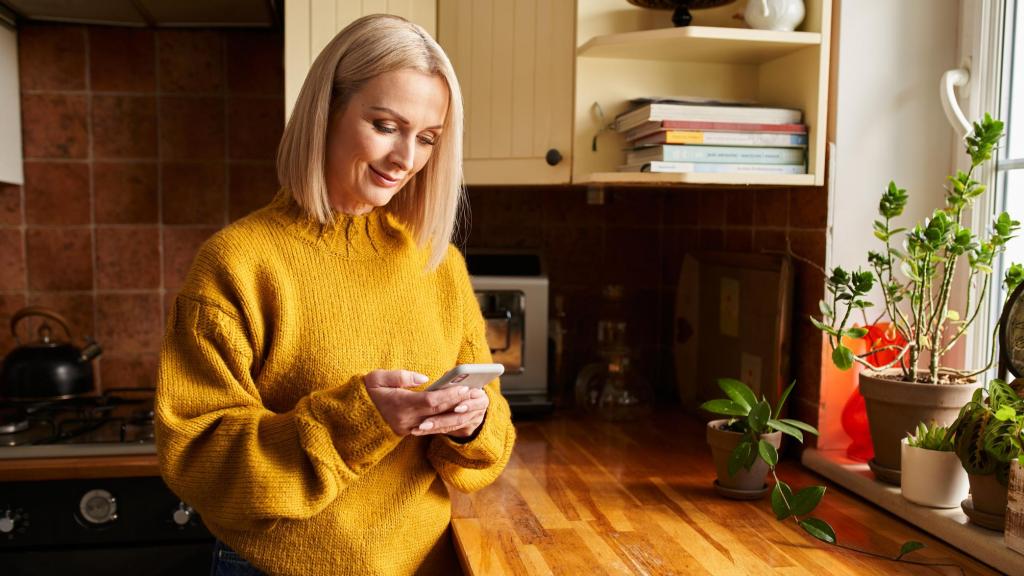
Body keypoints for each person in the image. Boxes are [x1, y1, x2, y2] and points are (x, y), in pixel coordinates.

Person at [154, 14, 515, 576]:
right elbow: (198, 458)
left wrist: (470, 422)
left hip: (425, 564)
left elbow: (492, 447)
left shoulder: (438, 265)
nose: (406, 160)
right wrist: (357, 418)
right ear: (327, 112)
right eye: (385, 125)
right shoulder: (239, 262)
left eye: (427, 138)